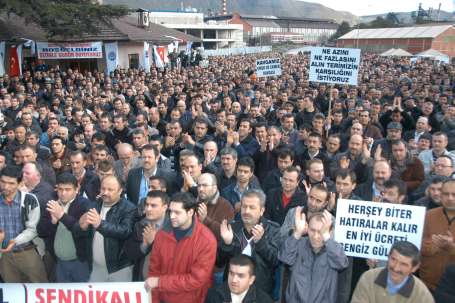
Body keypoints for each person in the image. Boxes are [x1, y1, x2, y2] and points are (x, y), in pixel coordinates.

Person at [145, 192, 217, 303]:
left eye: (177, 212)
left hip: (192, 300)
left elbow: (196, 280)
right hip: (163, 298)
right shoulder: (161, 234)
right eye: (170, 212)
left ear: (190, 212)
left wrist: (160, 282)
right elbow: (154, 270)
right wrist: (154, 300)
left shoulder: (206, 240)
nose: (172, 216)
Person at [218, 189, 281, 296]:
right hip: (232, 290)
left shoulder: (273, 230)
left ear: (262, 210)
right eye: (244, 206)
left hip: (260, 292)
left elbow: (276, 261)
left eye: (252, 207)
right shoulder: (232, 228)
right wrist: (227, 244)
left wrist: (261, 243)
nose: (246, 211)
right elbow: (219, 262)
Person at [76, 174, 137, 282]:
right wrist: (81, 227)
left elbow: (125, 231)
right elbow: (80, 232)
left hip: (119, 269)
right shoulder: (93, 205)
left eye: (110, 189)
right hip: (96, 268)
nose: (105, 192)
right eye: (103, 188)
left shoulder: (129, 208)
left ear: (120, 191)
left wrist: (100, 224)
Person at [278, 210, 348, 303]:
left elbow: (341, 263)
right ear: (307, 228)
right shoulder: (298, 244)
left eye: (321, 232)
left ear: (330, 232)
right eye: (312, 230)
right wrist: (297, 233)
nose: (315, 236)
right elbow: (284, 258)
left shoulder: (334, 250)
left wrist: (326, 237)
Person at [37, 173, 93, 282]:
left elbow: (82, 231)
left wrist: (62, 216)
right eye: (60, 189)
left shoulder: (85, 205)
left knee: (81, 296)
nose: (63, 193)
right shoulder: (51, 204)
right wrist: (52, 222)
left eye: (68, 189)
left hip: (80, 262)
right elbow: (41, 231)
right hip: (59, 261)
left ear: (77, 189)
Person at [0, 165, 48, 282]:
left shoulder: (30, 200)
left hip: (27, 251)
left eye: (11, 183)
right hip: (4, 257)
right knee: (12, 294)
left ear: (20, 183)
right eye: (3, 182)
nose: (6, 186)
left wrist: (15, 241)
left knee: (39, 290)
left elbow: (32, 229)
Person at [351, 241, 434, 303]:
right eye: (393, 259)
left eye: (403, 264)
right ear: (388, 257)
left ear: (415, 268)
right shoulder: (368, 278)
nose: (396, 268)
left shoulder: (422, 294)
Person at [124, 190, 169, 281]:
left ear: (165, 207)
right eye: (147, 204)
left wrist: (155, 241)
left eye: (153, 206)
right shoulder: (139, 225)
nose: (148, 209)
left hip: (165, 284)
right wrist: (144, 245)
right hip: (142, 282)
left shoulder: (173, 227)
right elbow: (130, 254)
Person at [420, 179, 455, 291]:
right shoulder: (429, 216)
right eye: (446, 194)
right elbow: (417, 246)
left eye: (454, 194)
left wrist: (451, 248)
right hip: (427, 284)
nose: (450, 198)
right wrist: (435, 246)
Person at [205, 254, 274, 303]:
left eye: (240, 276)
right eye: (231, 273)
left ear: (251, 280)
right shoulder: (214, 295)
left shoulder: (264, 300)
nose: (234, 280)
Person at [196, 173, 235, 241]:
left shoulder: (226, 206)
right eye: (199, 185)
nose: (201, 189)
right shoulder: (194, 204)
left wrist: (205, 219)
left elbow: (226, 234)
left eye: (205, 185)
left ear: (214, 187)